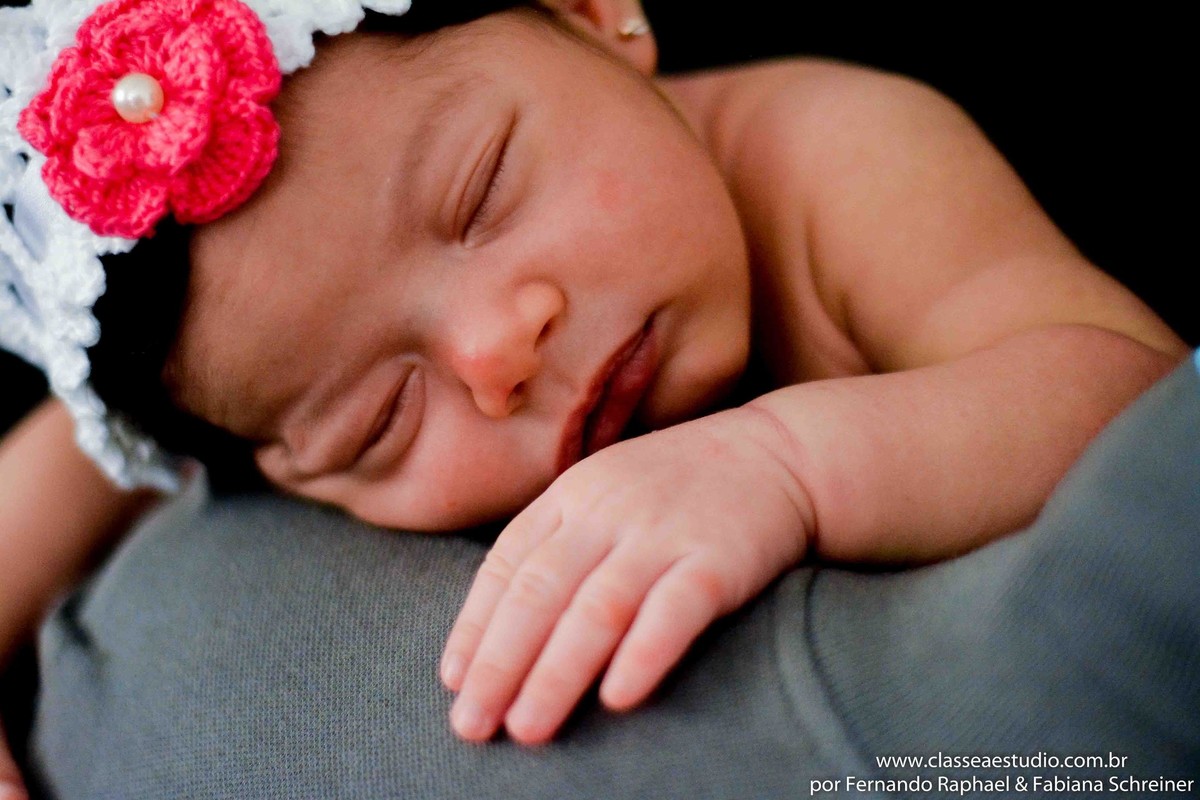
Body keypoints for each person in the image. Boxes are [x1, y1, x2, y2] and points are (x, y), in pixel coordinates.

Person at [0, 0, 1190, 795]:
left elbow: (1125, 396)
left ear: (595, 16)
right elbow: (76, 457)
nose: (495, 352)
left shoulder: (832, 159)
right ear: (297, 473)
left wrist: (784, 462)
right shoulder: (245, 394)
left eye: (481, 193)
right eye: (384, 415)